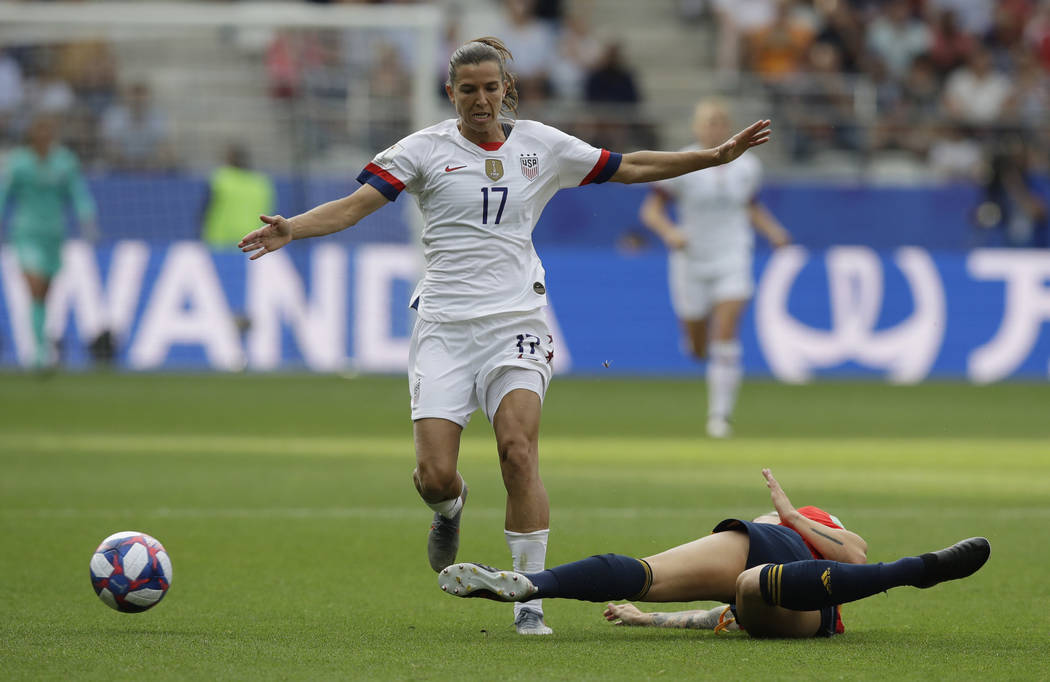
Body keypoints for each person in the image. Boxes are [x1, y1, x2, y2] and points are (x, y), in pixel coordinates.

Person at [238, 36, 771, 636]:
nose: (481, 100)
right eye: (469, 90)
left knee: (518, 451)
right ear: (451, 94)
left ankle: (529, 597)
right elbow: (356, 206)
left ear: (505, 90)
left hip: (517, 322)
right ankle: (450, 509)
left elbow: (631, 167)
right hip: (443, 326)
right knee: (434, 474)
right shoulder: (421, 150)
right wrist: (293, 228)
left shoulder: (543, 146)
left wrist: (710, 157)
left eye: (491, 88)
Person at [439, 469, 991, 639]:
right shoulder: (778, 528)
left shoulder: (819, 522)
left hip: (795, 574)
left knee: (748, 586)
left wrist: (795, 515)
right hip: (761, 557)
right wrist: (649, 617)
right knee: (648, 576)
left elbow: (853, 554)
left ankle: (918, 571)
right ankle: (534, 585)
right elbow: (718, 616)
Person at [640, 97, 790, 439]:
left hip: (733, 255)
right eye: (708, 122)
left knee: (725, 335)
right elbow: (651, 212)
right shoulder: (682, 163)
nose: (715, 128)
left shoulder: (748, 167)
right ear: (696, 127)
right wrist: (670, 232)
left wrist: (774, 231)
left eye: (720, 121)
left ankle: (720, 418)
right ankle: (696, 346)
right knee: (698, 348)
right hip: (691, 260)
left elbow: (749, 208)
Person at [0, 115, 98, 369]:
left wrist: (87, 218)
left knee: (45, 293)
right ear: (32, 136)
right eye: (39, 133)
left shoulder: (65, 162)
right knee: (35, 285)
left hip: (54, 234)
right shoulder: (18, 163)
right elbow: (4, 194)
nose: (44, 138)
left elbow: (78, 192)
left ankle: (42, 343)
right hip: (26, 232)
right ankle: (40, 352)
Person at [201, 144, 276, 250]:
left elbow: (205, 209)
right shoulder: (261, 183)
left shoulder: (220, 178)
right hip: (252, 239)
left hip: (220, 241)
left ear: (229, 159)